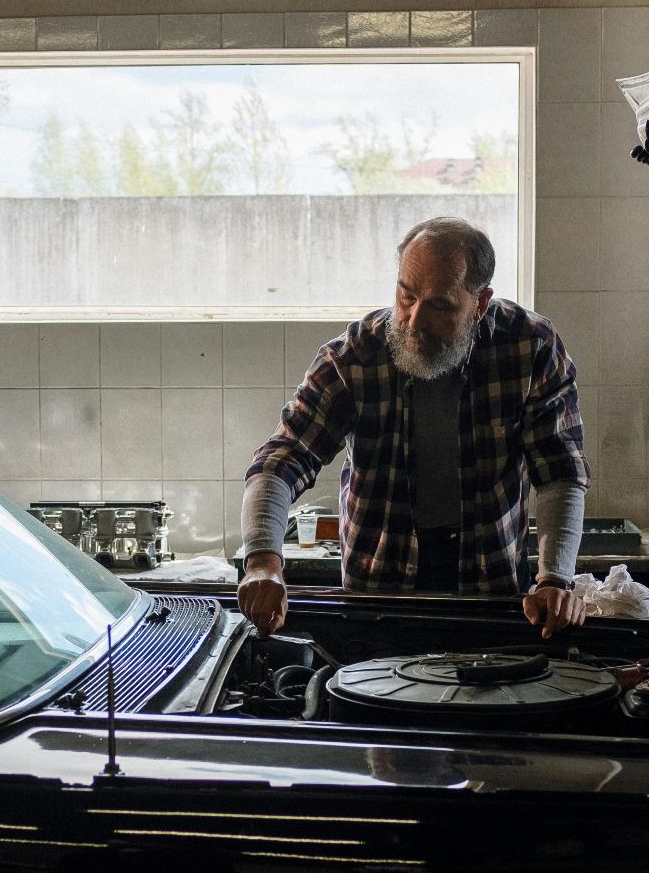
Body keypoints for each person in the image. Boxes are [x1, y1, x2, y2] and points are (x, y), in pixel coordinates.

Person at [238, 216, 589, 638]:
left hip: (489, 593)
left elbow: (560, 471)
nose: (414, 320)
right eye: (406, 296)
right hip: (378, 600)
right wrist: (263, 561)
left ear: (480, 304)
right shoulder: (354, 357)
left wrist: (554, 579)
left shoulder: (530, 347)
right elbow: (282, 460)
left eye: (439, 306)